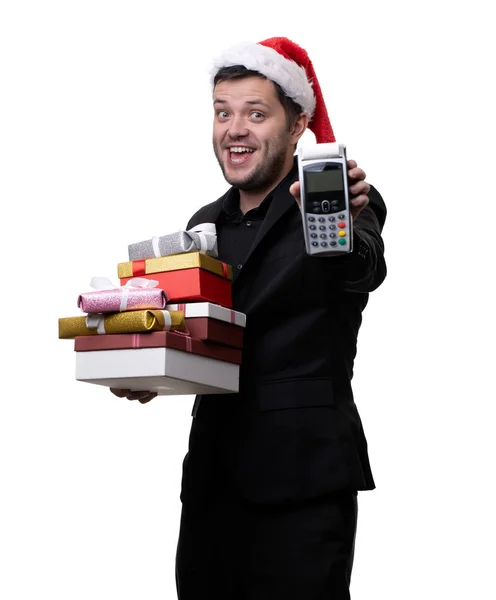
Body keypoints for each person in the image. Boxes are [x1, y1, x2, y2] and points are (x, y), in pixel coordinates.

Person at [112, 36, 387, 600]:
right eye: (222, 113)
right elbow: (195, 336)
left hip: (304, 484)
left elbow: (363, 270)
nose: (234, 129)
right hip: (213, 484)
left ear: (296, 125)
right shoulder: (202, 224)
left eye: (255, 114)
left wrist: (339, 222)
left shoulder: (340, 199)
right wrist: (149, 371)